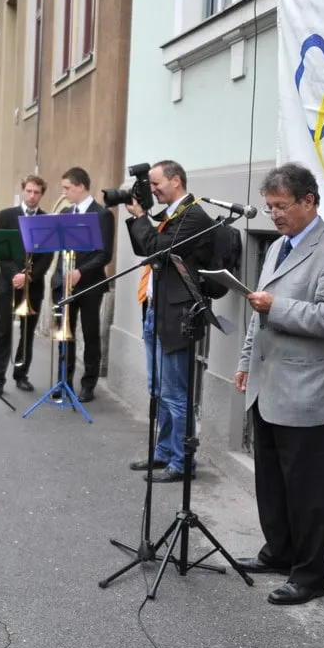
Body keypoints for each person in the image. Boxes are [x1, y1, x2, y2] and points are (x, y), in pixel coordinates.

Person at [234, 163, 324, 606]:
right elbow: (258, 312)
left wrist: (278, 307)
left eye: (281, 206)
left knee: (308, 491)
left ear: (309, 201)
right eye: (269, 208)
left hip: (309, 393)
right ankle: (279, 552)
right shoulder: (278, 248)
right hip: (269, 384)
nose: (274, 215)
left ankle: (309, 576)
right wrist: (246, 361)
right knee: (271, 481)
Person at [124, 160, 214, 483]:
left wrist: (141, 219)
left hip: (178, 317)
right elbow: (143, 248)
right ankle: (163, 453)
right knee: (159, 390)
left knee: (177, 394)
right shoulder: (168, 215)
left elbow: (159, 248)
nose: (152, 189)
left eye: (156, 183)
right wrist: (141, 217)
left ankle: (182, 462)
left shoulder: (193, 216)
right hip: (155, 310)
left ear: (176, 181)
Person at [50, 167, 115, 403]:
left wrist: (80, 272)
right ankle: (63, 381)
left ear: (80, 186)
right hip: (63, 284)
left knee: (90, 334)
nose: (65, 192)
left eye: (67, 188)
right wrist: (58, 278)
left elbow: (104, 255)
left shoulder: (102, 214)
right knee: (64, 334)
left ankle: (88, 383)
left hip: (88, 285)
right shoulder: (66, 212)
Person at [0, 175, 53, 394]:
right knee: (3, 332)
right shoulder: (7, 216)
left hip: (33, 285)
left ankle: (21, 374)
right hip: (9, 283)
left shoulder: (47, 220)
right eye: (29, 191)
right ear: (23, 191)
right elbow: (0, 251)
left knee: (27, 334)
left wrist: (30, 276)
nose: (32, 196)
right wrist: (16, 274)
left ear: (41, 194)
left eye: (36, 192)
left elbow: (47, 256)